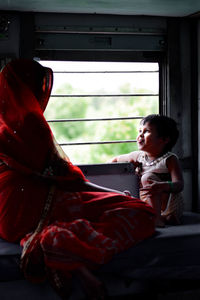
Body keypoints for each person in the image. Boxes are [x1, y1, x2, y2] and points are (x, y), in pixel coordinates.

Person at [0, 59, 155, 300]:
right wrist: (112, 194)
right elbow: (67, 178)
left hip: (6, 220)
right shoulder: (30, 123)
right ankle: (56, 246)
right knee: (139, 211)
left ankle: (57, 251)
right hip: (32, 206)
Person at [111, 114, 184, 227]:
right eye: (140, 131)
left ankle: (158, 219)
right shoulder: (138, 156)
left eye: (146, 131)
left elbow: (179, 184)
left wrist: (163, 185)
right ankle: (156, 216)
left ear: (164, 139)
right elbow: (114, 160)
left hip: (169, 206)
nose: (140, 135)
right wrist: (126, 167)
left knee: (146, 177)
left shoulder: (169, 159)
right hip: (145, 204)